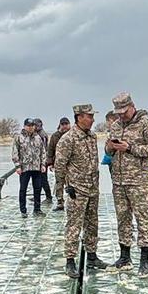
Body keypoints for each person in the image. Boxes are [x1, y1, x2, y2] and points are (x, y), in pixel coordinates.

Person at [105, 92, 148, 277]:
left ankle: (145, 260)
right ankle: (124, 257)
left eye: (124, 111)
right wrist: (110, 147)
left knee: (142, 218)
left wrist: (130, 148)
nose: (121, 115)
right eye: (118, 112)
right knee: (122, 218)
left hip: (138, 181)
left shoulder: (147, 123)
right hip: (119, 181)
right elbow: (108, 151)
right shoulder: (115, 125)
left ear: (132, 106)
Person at [56, 104, 107, 277]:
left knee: (93, 224)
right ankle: (70, 260)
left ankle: (92, 256)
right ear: (79, 117)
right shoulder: (68, 139)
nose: (93, 120)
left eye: (92, 116)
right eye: (89, 116)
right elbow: (60, 166)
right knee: (74, 225)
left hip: (93, 188)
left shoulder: (92, 136)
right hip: (76, 190)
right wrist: (62, 190)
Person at [12, 118, 46, 216]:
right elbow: (15, 152)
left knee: (38, 189)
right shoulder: (18, 137)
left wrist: (43, 164)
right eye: (28, 125)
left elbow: (43, 152)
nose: (30, 127)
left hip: (36, 168)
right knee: (23, 189)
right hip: (24, 168)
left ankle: (37, 209)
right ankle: (23, 210)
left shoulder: (38, 137)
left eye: (32, 125)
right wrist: (17, 166)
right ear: (24, 126)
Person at [47, 117, 71, 212]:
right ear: (60, 125)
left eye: (66, 124)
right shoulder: (55, 136)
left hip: (71, 165)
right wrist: (50, 163)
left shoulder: (72, 134)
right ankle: (60, 202)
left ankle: (72, 201)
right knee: (59, 184)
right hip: (58, 164)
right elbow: (50, 150)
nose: (65, 126)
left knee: (71, 184)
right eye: (63, 124)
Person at [34, 118, 54, 203]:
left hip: (42, 160)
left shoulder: (42, 135)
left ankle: (49, 197)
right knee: (38, 179)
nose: (34, 127)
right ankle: (37, 196)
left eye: (35, 125)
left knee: (43, 179)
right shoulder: (37, 134)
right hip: (38, 160)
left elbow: (43, 149)